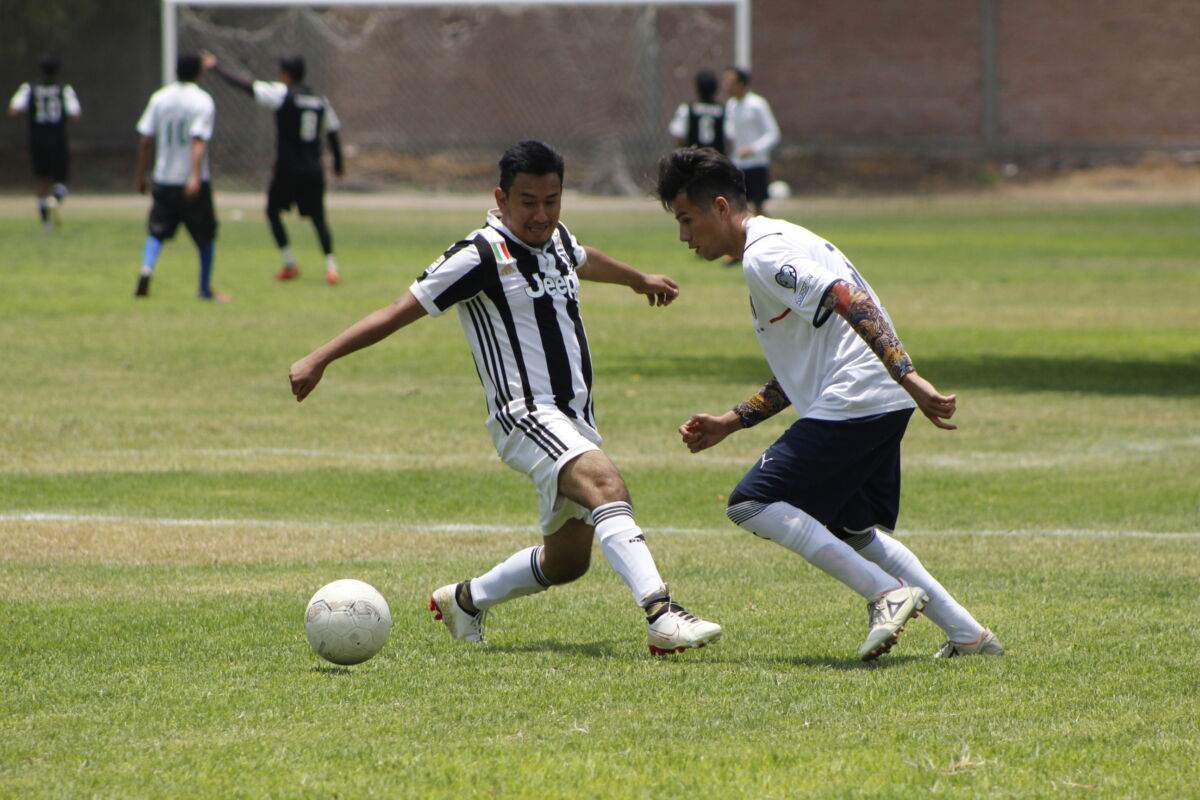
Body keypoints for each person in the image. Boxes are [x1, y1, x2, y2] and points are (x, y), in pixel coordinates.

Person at [289, 140, 723, 656]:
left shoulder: (556, 238)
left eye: (552, 200)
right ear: (501, 197)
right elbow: (396, 310)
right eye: (528, 202)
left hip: (574, 417)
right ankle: (661, 615)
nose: (541, 216)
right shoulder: (478, 255)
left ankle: (465, 601)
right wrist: (320, 357)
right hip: (525, 415)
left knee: (567, 563)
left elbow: (583, 258)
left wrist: (637, 279)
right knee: (608, 485)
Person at [654, 147, 1004, 661]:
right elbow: (805, 362)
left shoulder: (763, 255)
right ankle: (969, 636)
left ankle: (886, 594)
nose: (684, 236)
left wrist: (910, 376)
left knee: (751, 503)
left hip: (859, 394)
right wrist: (731, 421)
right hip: (873, 394)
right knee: (851, 527)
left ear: (721, 207)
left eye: (686, 220)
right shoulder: (782, 237)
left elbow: (848, 298)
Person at [202, 51, 344, 285]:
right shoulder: (320, 100)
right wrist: (338, 164)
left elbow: (246, 86)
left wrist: (216, 67)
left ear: (286, 74)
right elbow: (333, 132)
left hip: (287, 169)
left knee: (271, 211)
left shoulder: (281, 93)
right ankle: (331, 267)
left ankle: (289, 262)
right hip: (313, 169)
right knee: (318, 218)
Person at [133, 53, 227, 302]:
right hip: (191, 181)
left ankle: (146, 270)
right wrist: (194, 176)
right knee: (205, 237)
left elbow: (145, 139)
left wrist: (141, 174)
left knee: (156, 232)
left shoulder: (159, 98)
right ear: (199, 72)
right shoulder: (202, 101)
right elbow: (198, 140)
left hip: (163, 178)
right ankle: (204, 288)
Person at [8, 56, 82, 232]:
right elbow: (76, 114)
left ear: (40, 70)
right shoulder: (64, 89)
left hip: (37, 140)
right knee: (61, 180)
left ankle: (45, 224)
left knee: (42, 181)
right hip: (58, 139)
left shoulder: (29, 88)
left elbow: (14, 109)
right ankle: (55, 200)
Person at [722, 67, 779, 217]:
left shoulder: (757, 104)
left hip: (756, 163)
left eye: (730, 82)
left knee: (758, 207)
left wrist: (753, 149)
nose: (726, 86)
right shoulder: (730, 106)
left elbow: (773, 134)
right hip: (737, 164)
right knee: (739, 207)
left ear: (741, 84)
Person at [668, 69, 725, 154]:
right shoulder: (723, 109)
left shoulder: (687, 108)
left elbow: (679, 134)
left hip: (694, 158)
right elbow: (729, 135)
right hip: (717, 159)